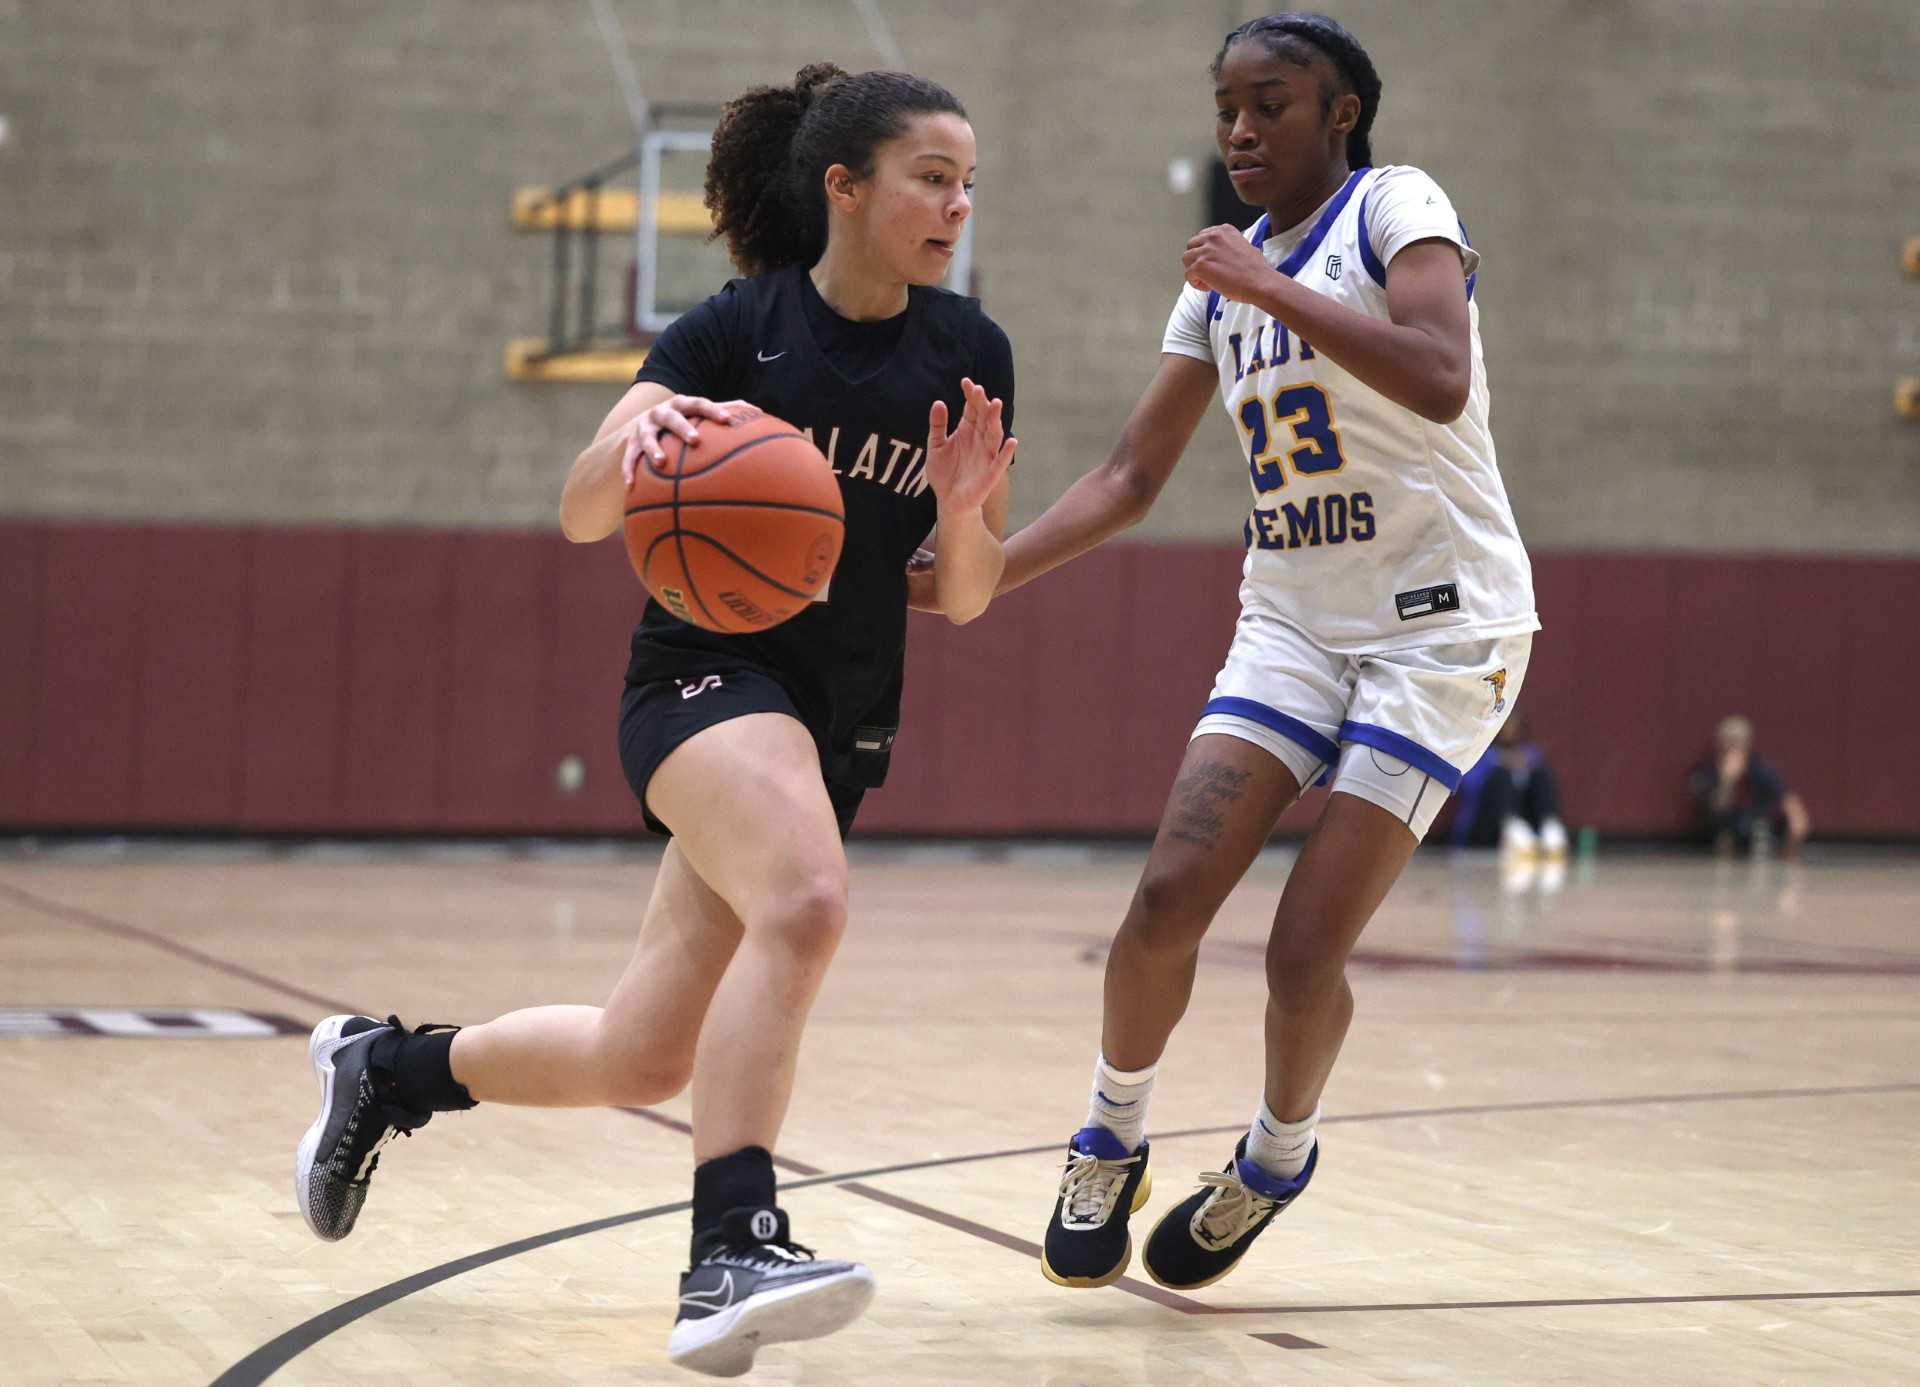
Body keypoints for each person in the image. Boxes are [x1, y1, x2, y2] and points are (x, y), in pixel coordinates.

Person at [291, 63, 1016, 1377]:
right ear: (844, 186)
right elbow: (577, 512)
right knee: (807, 899)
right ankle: (729, 1245)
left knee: (641, 1050)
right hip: (703, 687)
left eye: (969, 183)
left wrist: (965, 510)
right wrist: (634, 446)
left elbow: (962, 597)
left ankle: (389, 1069)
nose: (958, 205)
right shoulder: (734, 331)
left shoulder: (969, 354)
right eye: (932, 177)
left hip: (841, 716)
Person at [915, 12, 1536, 1292]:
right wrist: (978, 577)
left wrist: (1268, 286)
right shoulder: (1224, 274)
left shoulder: (1393, 208)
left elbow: (1436, 372)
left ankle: (1274, 1157)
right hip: (1298, 619)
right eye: (1227, 111)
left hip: (1441, 629)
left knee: (1306, 945)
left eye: (1273, 105)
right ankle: (1110, 1134)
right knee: (1164, 898)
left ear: (1341, 113)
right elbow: (1132, 473)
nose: (1242, 132)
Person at [1450, 708, 1568, 856]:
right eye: (1505, 724)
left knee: (1540, 775)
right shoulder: (1479, 754)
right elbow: (1468, 786)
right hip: (1485, 826)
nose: (1509, 730)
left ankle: (1549, 826)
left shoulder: (1529, 754)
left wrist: (1521, 766)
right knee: (1501, 777)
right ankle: (1512, 828)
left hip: (1527, 821)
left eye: (1513, 724)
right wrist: (1497, 762)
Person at [1689, 714, 1810, 858]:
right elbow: (1717, 808)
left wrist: (1795, 819)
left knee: (1764, 829)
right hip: (1724, 832)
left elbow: (1787, 799)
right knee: (1723, 833)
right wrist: (1727, 781)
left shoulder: (1761, 769)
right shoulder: (1707, 773)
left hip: (1758, 830)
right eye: (1730, 741)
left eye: (1740, 741)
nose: (1735, 746)